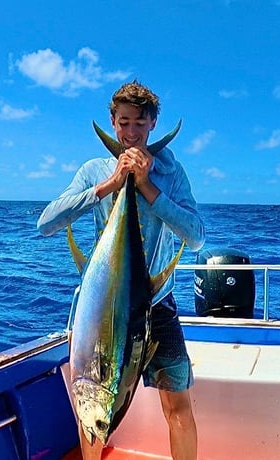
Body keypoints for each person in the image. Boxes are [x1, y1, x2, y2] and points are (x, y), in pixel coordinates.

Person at [37, 80, 205, 460]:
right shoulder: (94, 169)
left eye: (140, 124)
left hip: (156, 306)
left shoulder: (171, 173)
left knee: (178, 405)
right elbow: (46, 224)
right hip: (98, 308)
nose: (131, 133)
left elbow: (196, 237)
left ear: (152, 124)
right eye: (124, 122)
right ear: (113, 122)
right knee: (89, 404)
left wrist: (147, 187)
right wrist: (110, 184)